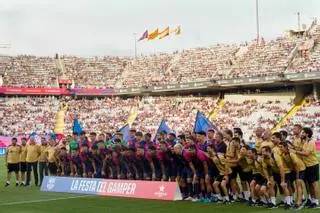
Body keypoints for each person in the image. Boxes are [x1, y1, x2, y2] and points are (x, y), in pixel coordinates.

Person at [294, 127, 319, 208]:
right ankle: (312, 200)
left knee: (314, 184)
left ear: (307, 134)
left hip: (312, 165)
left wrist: (295, 151)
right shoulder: (305, 142)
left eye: (303, 133)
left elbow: (306, 153)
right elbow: (299, 149)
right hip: (307, 166)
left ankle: (316, 202)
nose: (302, 134)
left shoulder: (311, 142)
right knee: (310, 184)